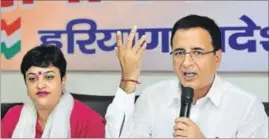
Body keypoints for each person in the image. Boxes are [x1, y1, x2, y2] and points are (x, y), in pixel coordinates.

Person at [105, 14, 269, 138]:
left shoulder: (246, 107)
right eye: (179, 52)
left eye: (197, 52)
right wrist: (128, 79)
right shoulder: (152, 98)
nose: (186, 62)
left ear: (217, 58)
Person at [1, 45, 105, 138]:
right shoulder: (14, 117)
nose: (40, 85)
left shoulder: (89, 122)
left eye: (49, 77)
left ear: (63, 80)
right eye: (32, 79)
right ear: (26, 85)